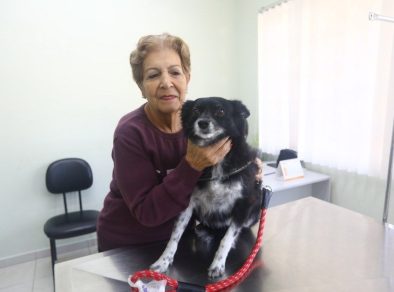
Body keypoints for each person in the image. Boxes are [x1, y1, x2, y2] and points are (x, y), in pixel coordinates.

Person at [97, 33, 260, 252]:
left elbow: (221, 171)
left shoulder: (201, 124)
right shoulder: (130, 133)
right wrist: (191, 165)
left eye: (175, 72)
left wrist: (246, 169)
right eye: (153, 75)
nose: (166, 83)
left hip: (182, 238)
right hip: (129, 245)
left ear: (187, 78)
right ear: (141, 87)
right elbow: (147, 212)